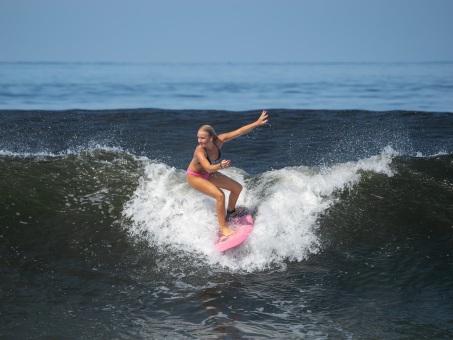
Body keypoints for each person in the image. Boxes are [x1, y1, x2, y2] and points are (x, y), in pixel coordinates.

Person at [186, 110, 269, 236]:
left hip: (207, 173)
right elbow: (208, 168)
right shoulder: (199, 151)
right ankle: (224, 228)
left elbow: (239, 131)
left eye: (202, 138)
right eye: (198, 137)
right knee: (220, 196)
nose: (199, 141)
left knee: (237, 188)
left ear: (211, 138)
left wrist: (256, 123)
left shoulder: (219, 141)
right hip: (195, 177)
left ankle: (231, 212)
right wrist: (220, 165)